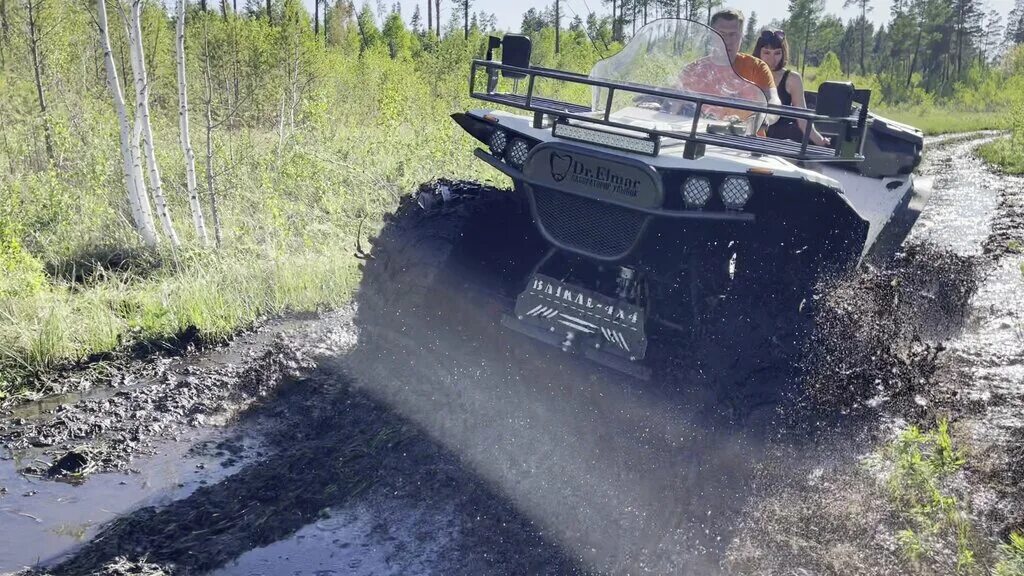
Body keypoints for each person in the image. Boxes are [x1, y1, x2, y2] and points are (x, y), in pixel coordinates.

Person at [674, 9, 780, 127]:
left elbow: (774, 101)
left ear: (741, 36)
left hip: (747, 140)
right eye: (721, 34)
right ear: (711, 35)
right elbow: (672, 103)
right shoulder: (693, 70)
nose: (727, 41)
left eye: (733, 34)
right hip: (701, 138)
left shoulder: (757, 67)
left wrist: (766, 118)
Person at [753, 28, 829, 146]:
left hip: (779, 141)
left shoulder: (792, 79)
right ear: (759, 52)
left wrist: (820, 141)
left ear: (783, 53)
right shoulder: (748, 73)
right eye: (766, 53)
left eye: (777, 53)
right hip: (749, 135)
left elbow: (802, 118)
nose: (772, 59)